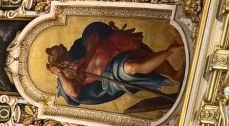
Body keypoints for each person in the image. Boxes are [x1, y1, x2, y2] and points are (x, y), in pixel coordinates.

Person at [45, 21, 183, 110]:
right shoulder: (69, 75)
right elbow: (74, 92)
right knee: (132, 67)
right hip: (111, 72)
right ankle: (169, 51)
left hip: (113, 50)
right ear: (59, 65)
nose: (67, 56)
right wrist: (60, 74)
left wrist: (86, 60)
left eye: (65, 51)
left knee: (141, 52)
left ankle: (174, 74)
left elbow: (92, 35)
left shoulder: (76, 51)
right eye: (63, 59)